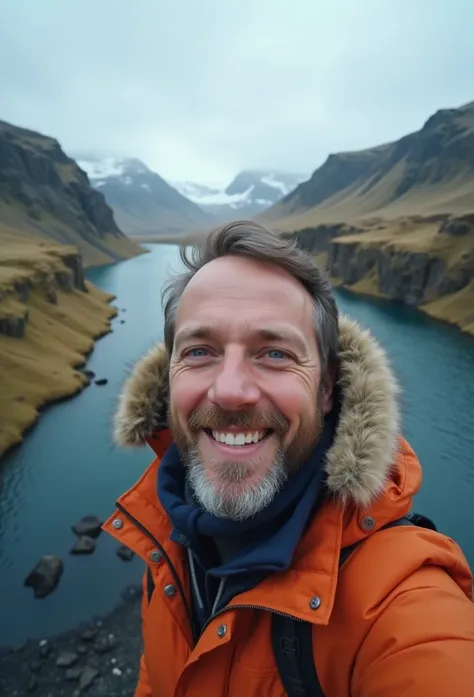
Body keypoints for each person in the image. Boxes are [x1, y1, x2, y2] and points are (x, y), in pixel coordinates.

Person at [104, 220, 474, 697]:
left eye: (275, 354)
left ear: (325, 389)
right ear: (168, 375)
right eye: (200, 351)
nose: (231, 390)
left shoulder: (402, 602)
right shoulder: (168, 533)